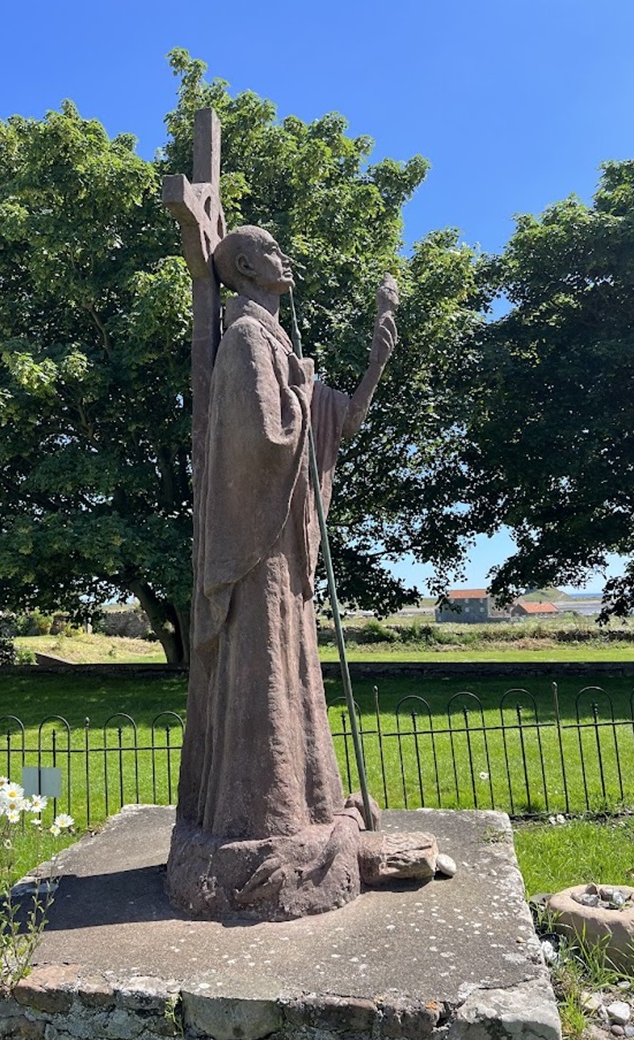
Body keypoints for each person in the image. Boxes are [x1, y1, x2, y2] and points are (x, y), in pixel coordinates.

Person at [167, 226, 396, 919]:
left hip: (283, 555)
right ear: (243, 266)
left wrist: (374, 362)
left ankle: (304, 805)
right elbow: (265, 440)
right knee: (264, 675)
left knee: (291, 674)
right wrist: (301, 388)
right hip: (258, 552)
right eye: (270, 251)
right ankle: (254, 818)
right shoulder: (244, 342)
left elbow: (340, 423)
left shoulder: (276, 344)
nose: (284, 259)